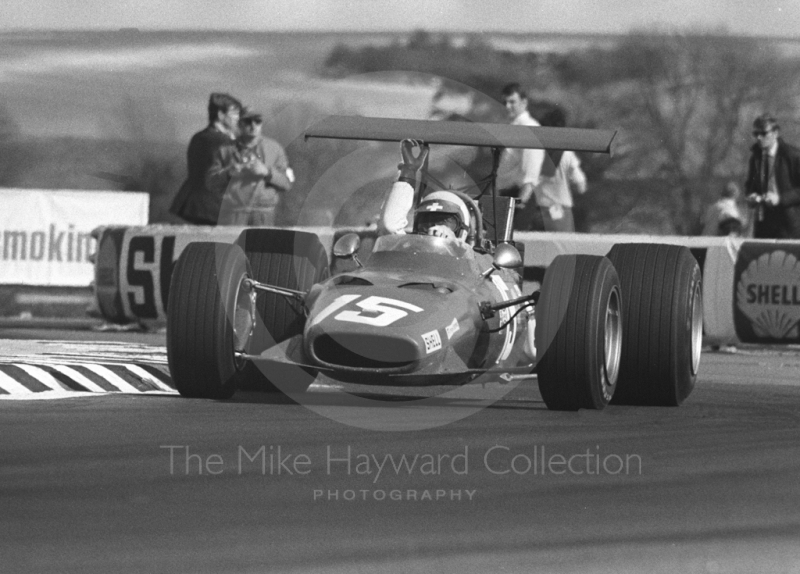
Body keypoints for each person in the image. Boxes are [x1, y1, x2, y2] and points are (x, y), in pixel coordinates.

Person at [209, 108, 295, 226]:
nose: (253, 125)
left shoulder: (275, 149)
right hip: (233, 215)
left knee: (260, 245)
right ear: (240, 124)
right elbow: (209, 183)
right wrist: (229, 172)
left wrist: (267, 172)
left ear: (261, 124)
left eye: (257, 121)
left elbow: (288, 182)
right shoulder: (224, 150)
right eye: (248, 121)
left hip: (263, 215)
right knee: (231, 244)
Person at [378, 139, 471, 244]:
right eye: (426, 222)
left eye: (446, 222)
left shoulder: (477, 258)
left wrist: (451, 242)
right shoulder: (410, 251)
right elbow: (389, 227)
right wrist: (409, 170)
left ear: (462, 230)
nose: (435, 229)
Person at [170, 92, 243, 225]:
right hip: (217, 209)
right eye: (234, 113)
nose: (238, 118)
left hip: (192, 206)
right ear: (221, 115)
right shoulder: (226, 143)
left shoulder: (197, 137)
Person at [518, 107, 588, 232]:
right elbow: (581, 185)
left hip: (540, 212)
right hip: (561, 212)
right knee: (563, 248)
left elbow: (529, 185)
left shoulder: (535, 153)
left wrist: (520, 203)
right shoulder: (567, 153)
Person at [496, 83, 545, 231]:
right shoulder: (511, 127)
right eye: (505, 102)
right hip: (505, 195)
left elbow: (532, 168)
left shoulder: (529, 127)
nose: (507, 106)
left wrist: (521, 202)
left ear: (524, 102)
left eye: (512, 102)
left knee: (514, 241)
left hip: (520, 196)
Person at [744, 113, 800, 239]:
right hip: (764, 226)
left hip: (790, 227)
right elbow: (750, 186)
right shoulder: (755, 158)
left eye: (763, 133)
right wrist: (751, 196)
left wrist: (780, 199)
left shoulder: (792, 156)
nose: (759, 137)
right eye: (755, 134)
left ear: (775, 133)